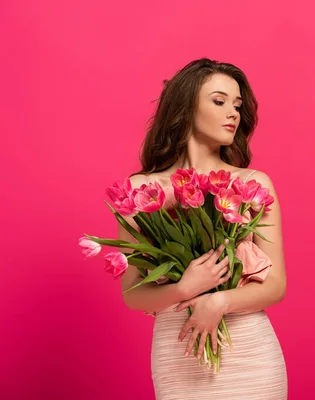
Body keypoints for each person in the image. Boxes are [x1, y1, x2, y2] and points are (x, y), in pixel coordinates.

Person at [117, 58, 288, 399]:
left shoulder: (252, 184)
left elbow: (276, 285)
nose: (233, 114)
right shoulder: (141, 191)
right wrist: (186, 289)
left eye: (237, 106)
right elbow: (132, 293)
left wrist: (219, 302)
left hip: (248, 352)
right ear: (185, 107)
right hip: (177, 354)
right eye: (219, 101)